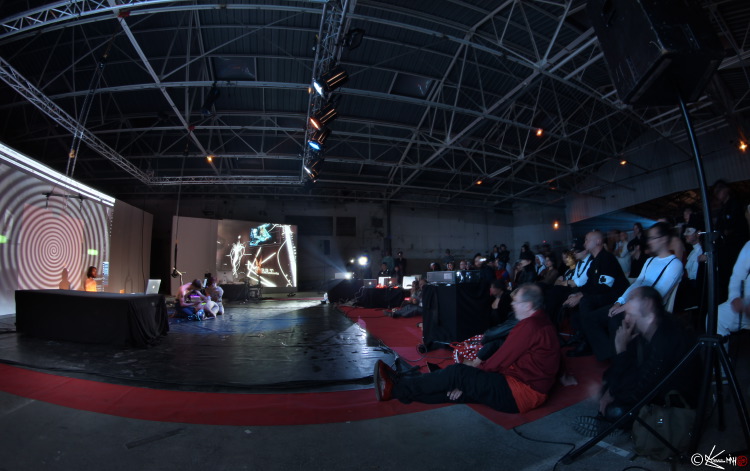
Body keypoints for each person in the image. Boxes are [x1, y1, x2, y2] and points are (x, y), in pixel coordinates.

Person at [373, 284, 560, 413]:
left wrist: (469, 378)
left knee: (457, 374)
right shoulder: (543, 322)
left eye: (516, 302)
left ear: (528, 305)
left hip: (518, 393)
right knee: (453, 393)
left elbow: (502, 358)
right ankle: (398, 391)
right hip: (520, 389)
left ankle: (397, 385)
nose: (512, 305)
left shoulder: (530, 326)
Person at [573, 286, 696, 436]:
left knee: (616, 410)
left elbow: (643, 387)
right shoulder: (644, 328)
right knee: (609, 387)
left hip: (672, 400)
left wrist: (620, 351)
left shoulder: (666, 337)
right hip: (649, 383)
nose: (626, 314)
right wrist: (609, 388)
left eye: (632, 300)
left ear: (648, 304)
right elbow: (630, 369)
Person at [583, 222, 683, 361]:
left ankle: (618, 359)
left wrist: (627, 306)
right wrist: (620, 301)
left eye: (653, 238)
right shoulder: (650, 261)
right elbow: (637, 283)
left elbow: (657, 294)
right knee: (590, 318)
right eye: (650, 238)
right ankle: (609, 355)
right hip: (633, 303)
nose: (650, 241)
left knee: (614, 320)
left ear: (663, 239)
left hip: (648, 309)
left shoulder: (674, 264)